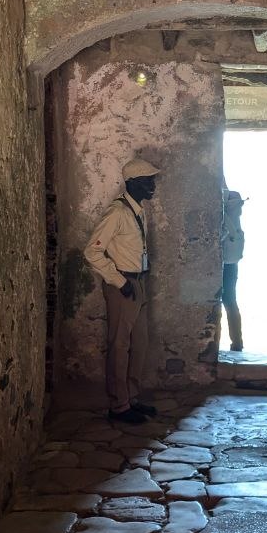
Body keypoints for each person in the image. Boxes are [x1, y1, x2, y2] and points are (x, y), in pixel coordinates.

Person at [84, 158, 159, 424]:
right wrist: (120, 282)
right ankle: (119, 405)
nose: (153, 184)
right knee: (120, 345)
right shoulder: (117, 212)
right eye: (147, 180)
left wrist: (135, 283)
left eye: (153, 179)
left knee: (139, 344)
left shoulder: (138, 210)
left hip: (137, 282)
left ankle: (132, 397)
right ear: (132, 183)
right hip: (122, 286)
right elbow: (92, 251)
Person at [220, 189, 245, 352]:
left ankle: (213, 343)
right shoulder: (234, 214)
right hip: (232, 263)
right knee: (231, 302)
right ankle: (237, 342)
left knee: (220, 303)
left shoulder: (224, 212)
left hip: (224, 263)